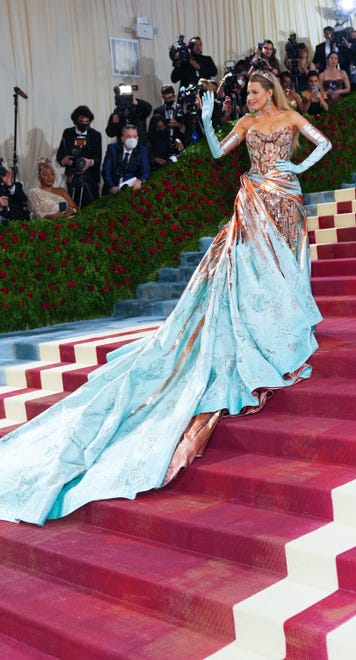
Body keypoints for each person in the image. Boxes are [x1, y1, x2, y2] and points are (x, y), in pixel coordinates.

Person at [0, 70, 331, 526]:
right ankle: (260, 332)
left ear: (269, 91)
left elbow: (324, 144)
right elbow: (217, 153)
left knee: (282, 266)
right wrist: (213, 117)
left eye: (254, 92)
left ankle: (286, 325)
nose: (249, 99)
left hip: (286, 196)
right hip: (253, 196)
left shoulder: (291, 115)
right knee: (252, 269)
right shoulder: (246, 125)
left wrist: (297, 167)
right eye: (247, 94)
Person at [56, 105, 102, 209]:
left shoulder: (96, 135)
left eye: (87, 122)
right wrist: (64, 160)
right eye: (81, 121)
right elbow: (60, 155)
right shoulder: (68, 133)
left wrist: (90, 162)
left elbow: (98, 158)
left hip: (90, 179)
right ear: (76, 120)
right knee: (74, 207)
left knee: (92, 207)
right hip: (73, 178)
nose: (84, 124)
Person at [102, 125, 150, 195]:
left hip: (131, 190)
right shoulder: (112, 149)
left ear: (138, 138)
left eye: (134, 136)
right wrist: (111, 187)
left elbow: (146, 171)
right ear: (122, 138)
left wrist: (140, 181)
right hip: (112, 188)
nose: (132, 139)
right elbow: (106, 171)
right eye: (128, 137)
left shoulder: (142, 151)